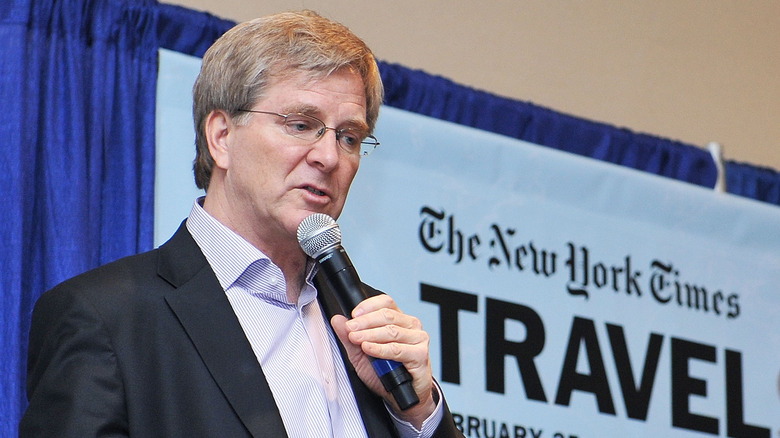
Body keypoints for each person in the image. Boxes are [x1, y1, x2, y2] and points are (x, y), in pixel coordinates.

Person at [20, 10, 464, 438]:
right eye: (301, 124)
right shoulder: (106, 316)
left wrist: (418, 414)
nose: (329, 157)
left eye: (348, 137)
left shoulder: (366, 323)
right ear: (222, 137)